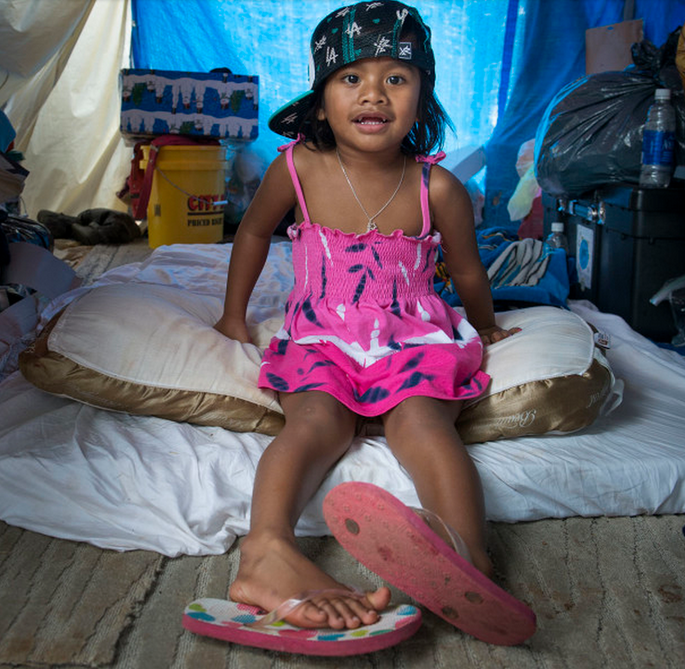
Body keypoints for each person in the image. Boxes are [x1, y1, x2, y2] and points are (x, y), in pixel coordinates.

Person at [214, 0, 521, 633]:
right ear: (322, 98)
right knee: (316, 422)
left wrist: (485, 324)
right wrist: (231, 316)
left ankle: (463, 555)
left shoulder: (437, 189)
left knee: (424, 424)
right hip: (322, 334)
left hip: (412, 336)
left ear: (423, 96)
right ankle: (267, 548)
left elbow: (467, 272)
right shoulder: (298, 166)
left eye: (397, 79)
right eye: (351, 78)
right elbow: (250, 235)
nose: (374, 94)